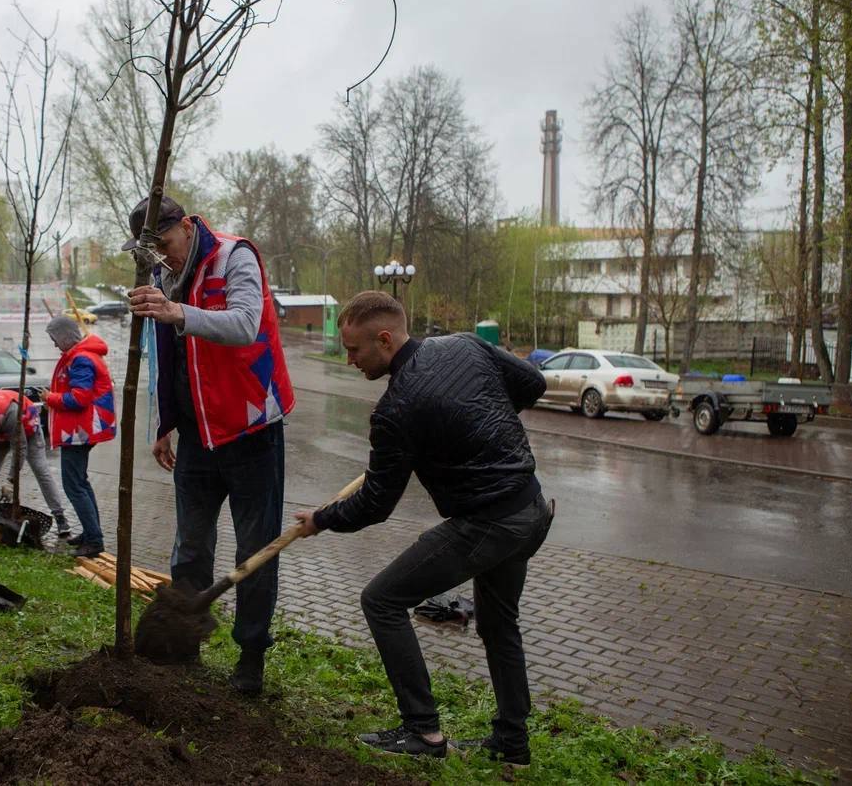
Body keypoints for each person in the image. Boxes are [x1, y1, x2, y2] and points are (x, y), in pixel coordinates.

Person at [293, 291, 554, 764]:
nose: (348, 359)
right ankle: (512, 743)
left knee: (382, 599)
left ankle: (422, 731)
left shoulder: (396, 409)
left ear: (386, 339)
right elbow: (532, 383)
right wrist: (478, 416)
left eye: (354, 350)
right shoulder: (466, 345)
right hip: (530, 509)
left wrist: (322, 520)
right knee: (498, 626)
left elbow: (375, 504)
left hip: (489, 523)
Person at [126, 195, 294, 695]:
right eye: (153, 253)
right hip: (198, 435)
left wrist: (178, 310)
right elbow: (165, 354)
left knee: (256, 550)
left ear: (186, 225)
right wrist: (163, 421)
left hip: (250, 430)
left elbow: (246, 324)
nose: (165, 259)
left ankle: (251, 658)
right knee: (190, 547)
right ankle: (184, 647)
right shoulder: (159, 275)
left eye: (167, 245)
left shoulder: (233, 255)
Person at [43, 316, 116, 559]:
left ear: (64, 336)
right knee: (80, 483)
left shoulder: (82, 358)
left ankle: (94, 540)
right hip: (80, 430)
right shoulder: (83, 355)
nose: (54, 345)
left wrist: (50, 398)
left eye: (55, 339)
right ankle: (90, 533)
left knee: (73, 485)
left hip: (79, 431)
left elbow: (79, 399)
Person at [0, 389, 74, 538]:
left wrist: (10, 481)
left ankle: (60, 517)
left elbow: (20, 448)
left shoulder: (10, 413)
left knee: (41, 470)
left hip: (28, 431)